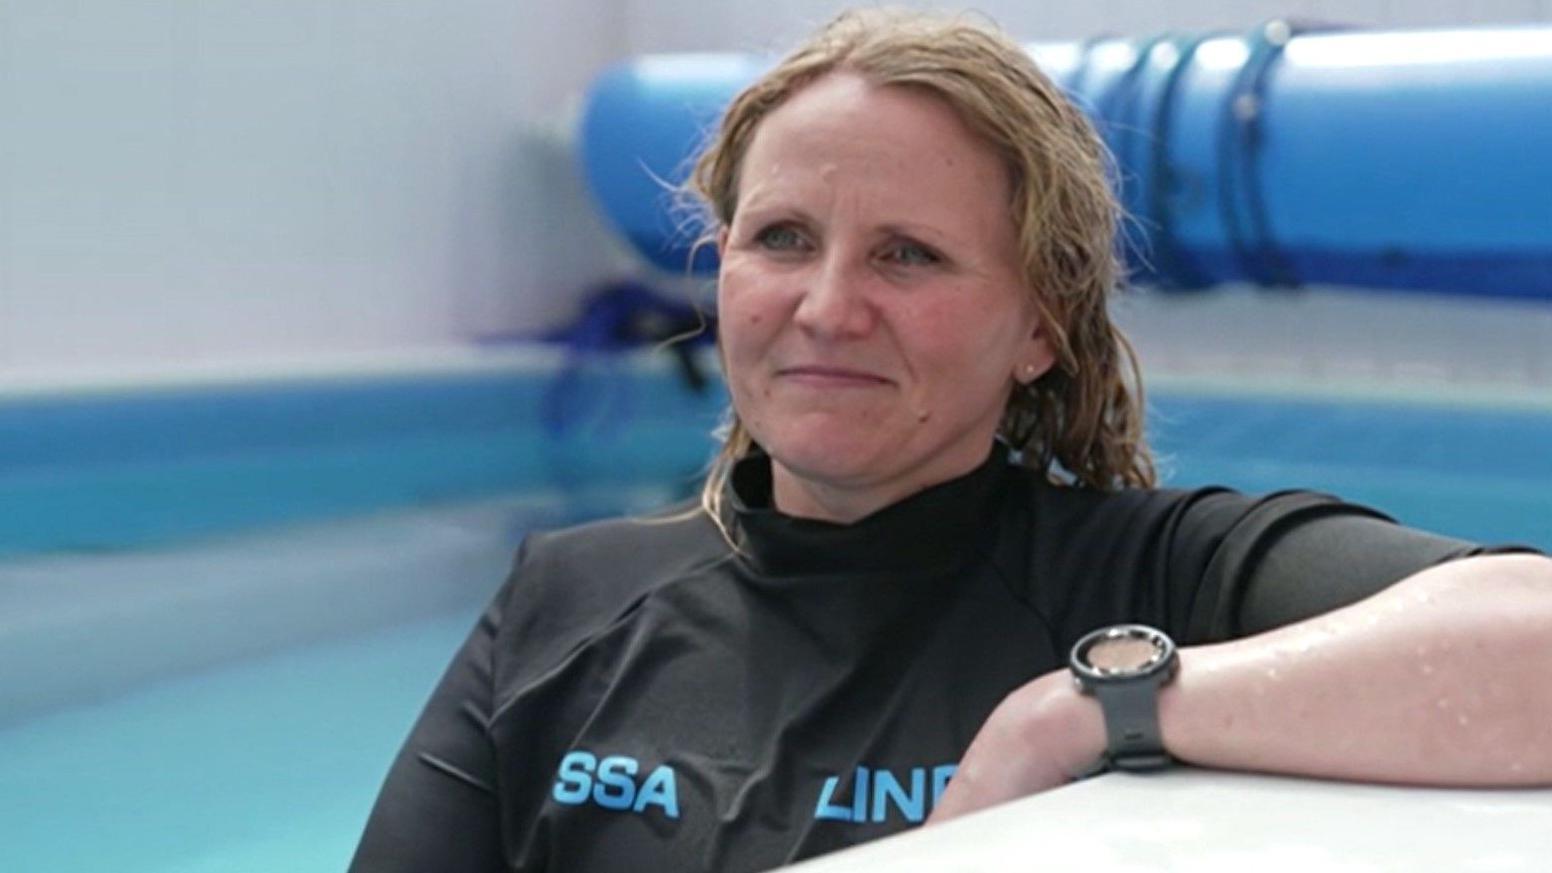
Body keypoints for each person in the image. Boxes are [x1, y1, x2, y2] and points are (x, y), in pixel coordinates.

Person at [349, 9, 1552, 872]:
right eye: (780, 239)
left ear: (1038, 326)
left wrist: (1091, 712)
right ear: (716, 274)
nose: (825, 307)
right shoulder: (566, 602)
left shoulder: (1146, 585)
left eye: (907, 254)